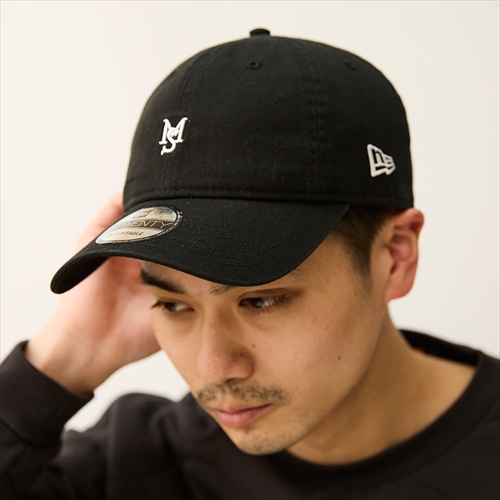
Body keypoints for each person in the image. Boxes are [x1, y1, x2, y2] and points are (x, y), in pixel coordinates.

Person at [0, 29, 498, 500]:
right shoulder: (133, 464)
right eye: (173, 305)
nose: (213, 369)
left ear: (395, 255)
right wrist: (66, 356)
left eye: (261, 300)